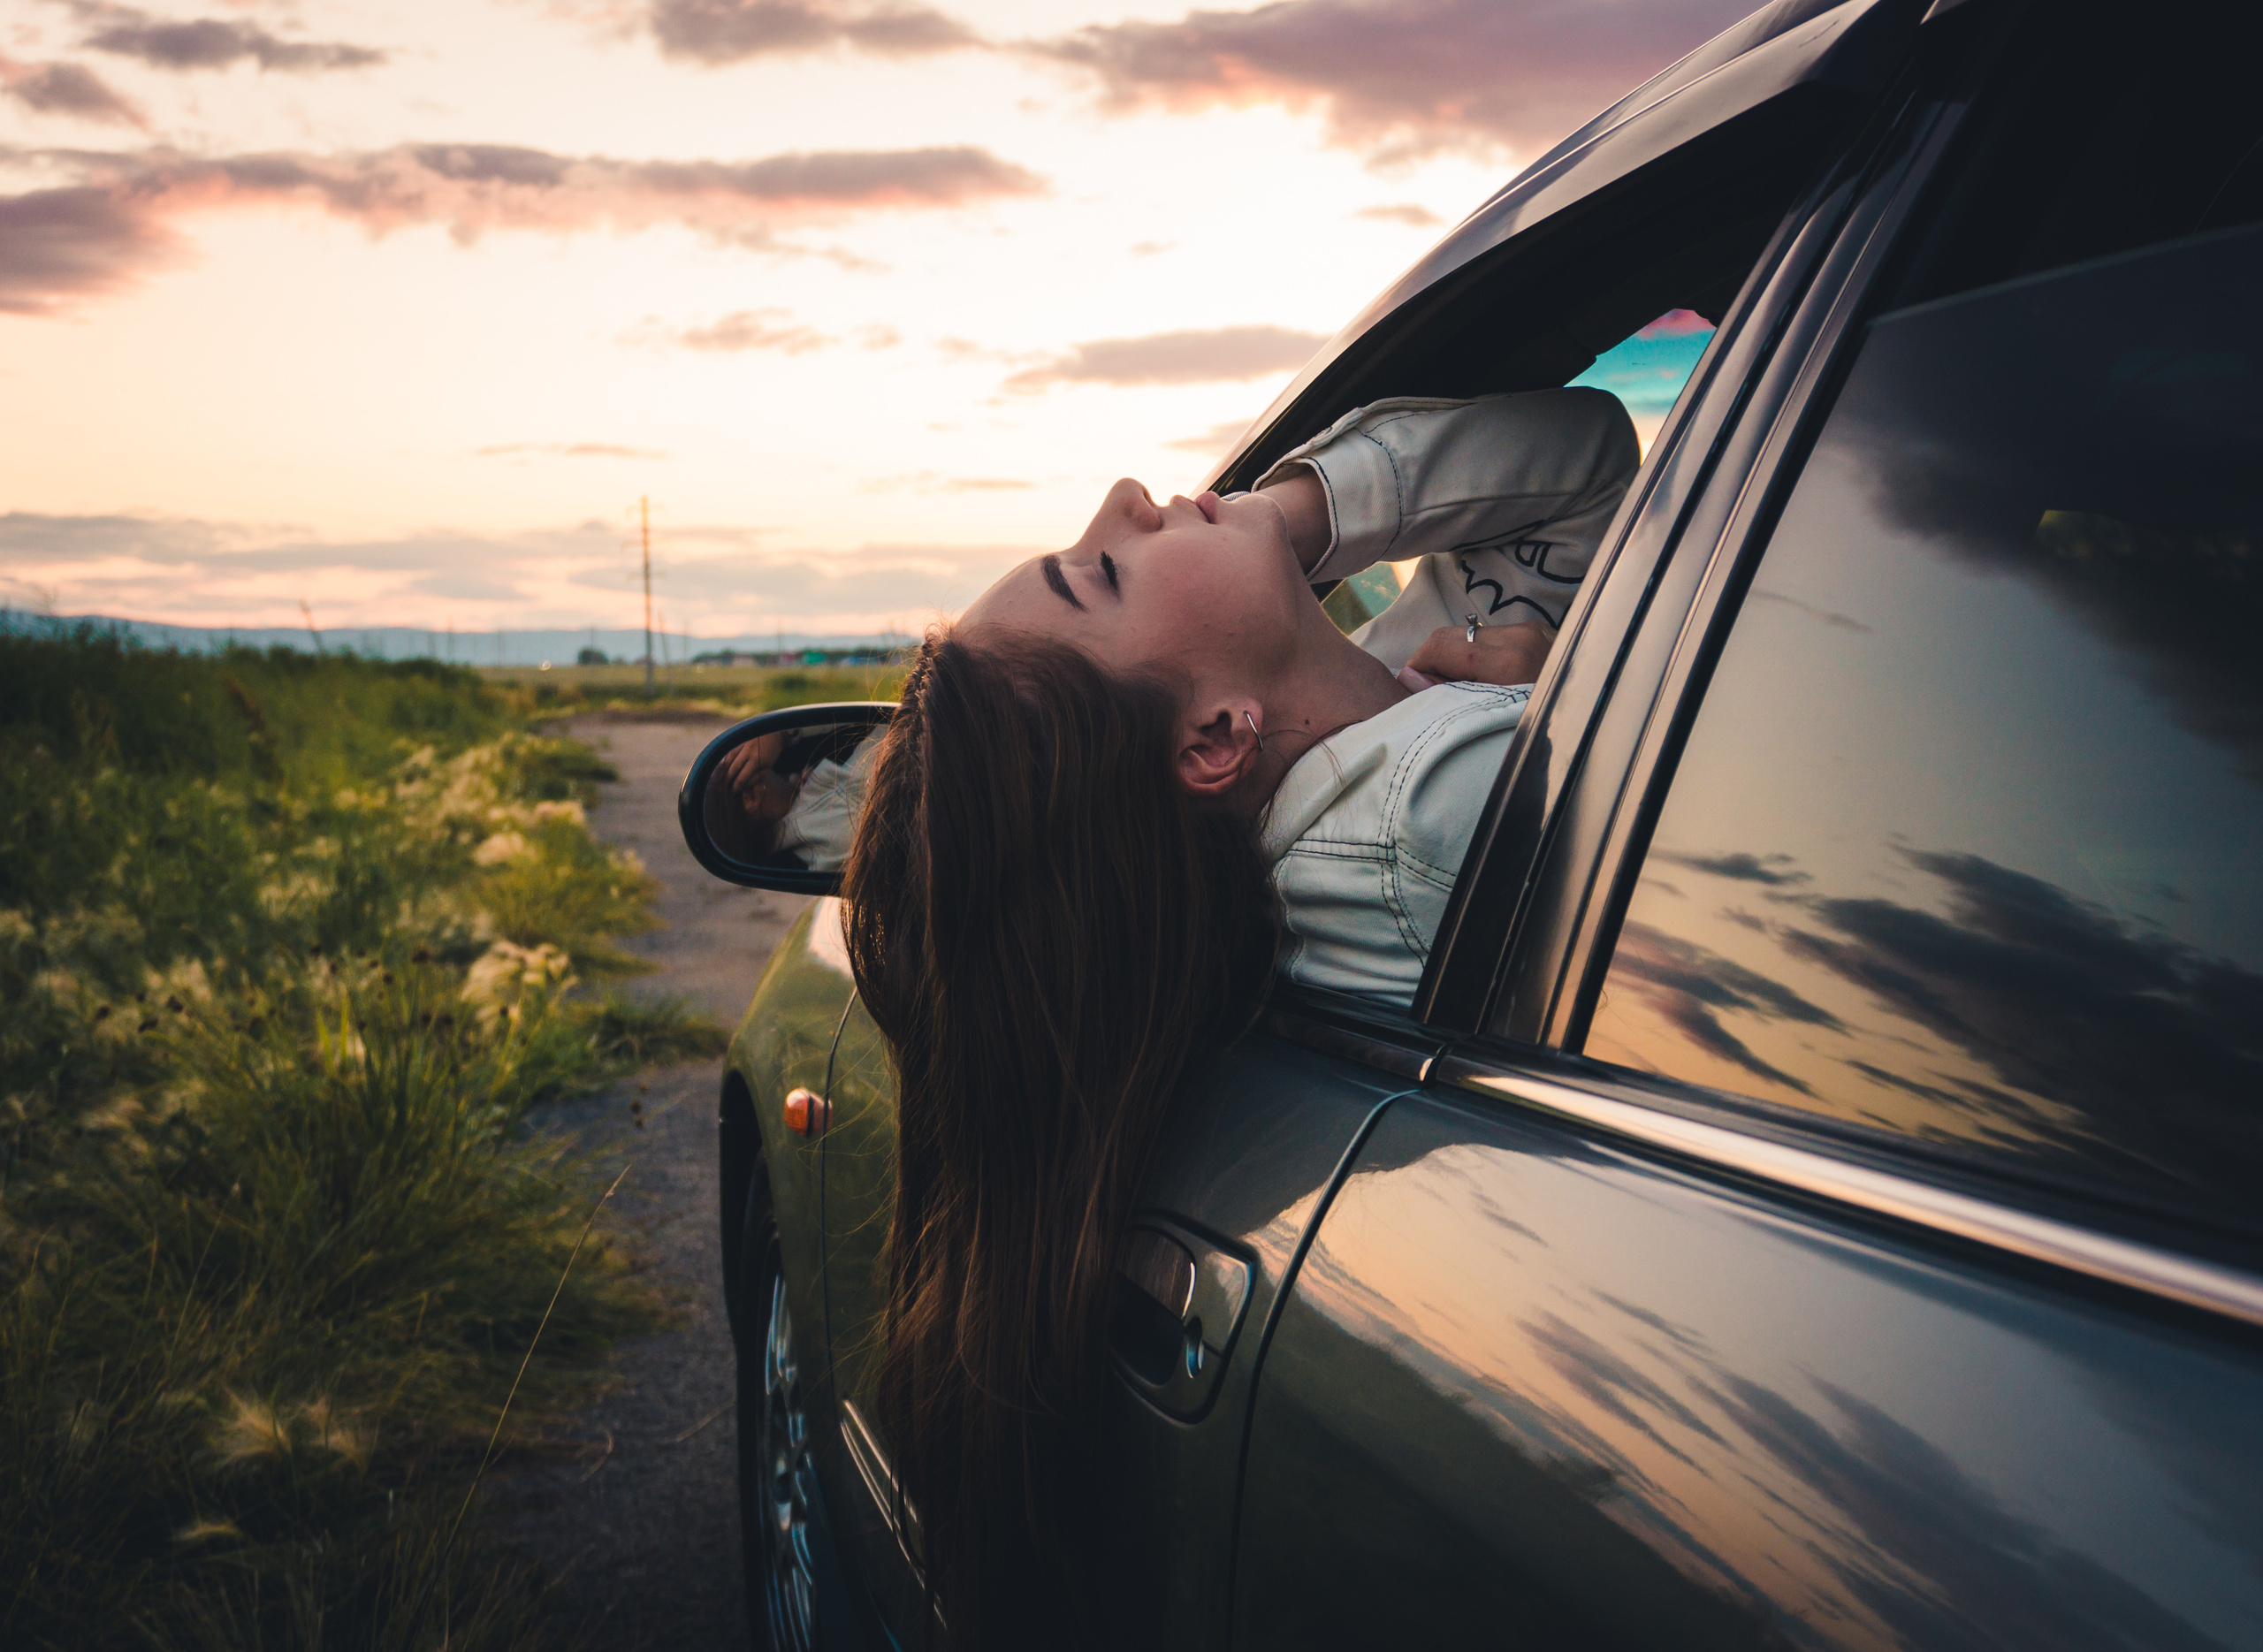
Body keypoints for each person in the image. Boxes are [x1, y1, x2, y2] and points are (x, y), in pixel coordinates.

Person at [837, 386, 1638, 1648]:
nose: (1125, 497)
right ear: (1215, 737)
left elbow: (1591, 458)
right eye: (1102, 570)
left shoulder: (1375, 719)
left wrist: (1294, 519)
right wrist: (1553, 719)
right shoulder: (1425, 814)